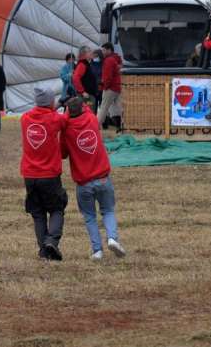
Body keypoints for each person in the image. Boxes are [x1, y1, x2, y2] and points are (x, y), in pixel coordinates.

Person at [62, 95, 126, 260]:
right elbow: (88, 109)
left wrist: (65, 120)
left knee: (90, 216)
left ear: (68, 111)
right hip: (102, 177)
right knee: (108, 211)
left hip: (83, 182)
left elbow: (62, 153)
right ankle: (112, 238)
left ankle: (97, 250)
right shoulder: (92, 120)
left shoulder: (67, 130)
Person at [20, 87, 69, 260]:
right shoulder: (55, 119)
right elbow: (66, 120)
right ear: (50, 102)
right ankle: (51, 242)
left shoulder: (25, 118)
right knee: (57, 209)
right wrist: (66, 103)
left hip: (30, 175)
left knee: (38, 213)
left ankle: (43, 250)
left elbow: (44, 111)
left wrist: (53, 105)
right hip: (49, 175)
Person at [97, 43, 122, 131]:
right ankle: (121, 127)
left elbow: (107, 77)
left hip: (110, 88)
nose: (102, 52)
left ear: (109, 50)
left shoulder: (108, 60)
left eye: (104, 50)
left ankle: (95, 128)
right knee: (117, 108)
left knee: (103, 108)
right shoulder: (116, 59)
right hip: (117, 87)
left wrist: (105, 87)